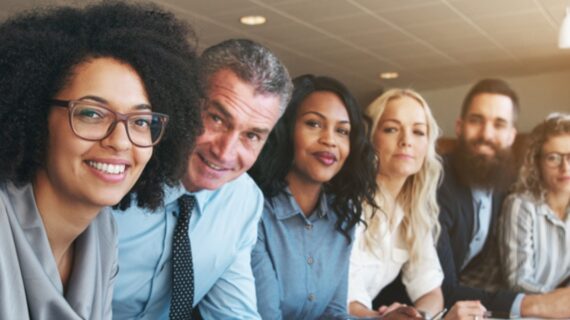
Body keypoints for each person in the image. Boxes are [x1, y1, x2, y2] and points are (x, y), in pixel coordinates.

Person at [0, 2, 201, 319]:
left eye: (140, 121)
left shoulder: (102, 233)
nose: (120, 141)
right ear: (36, 119)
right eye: (92, 113)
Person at [112, 39, 292, 319]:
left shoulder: (243, 199)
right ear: (184, 101)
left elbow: (233, 312)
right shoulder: (117, 167)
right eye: (217, 119)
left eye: (252, 135)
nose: (225, 152)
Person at [437, 78, 570, 318]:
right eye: (477, 121)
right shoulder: (437, 183)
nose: (486, 134)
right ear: (459, 126)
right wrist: (547, 304)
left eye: (498, 124)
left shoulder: (502, 184)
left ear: (511, 135)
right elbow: (439, 287)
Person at [249, 75, 378, 319]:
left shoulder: (343, 215)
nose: (329, 140)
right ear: (286, 130)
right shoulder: (254, 210)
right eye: (314, 124)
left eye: (342, 131)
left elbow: (335, 313)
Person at [347, 89, 445, 319]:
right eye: (391, 129)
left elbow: (431, 291)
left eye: (418, 132)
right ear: (371, 138)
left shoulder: (413, 210)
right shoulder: (348, 202)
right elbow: (342, 296)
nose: (406, 141)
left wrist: (416, 315)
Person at [500, 113, 570, 293]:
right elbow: (518, 281)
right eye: (553, 157)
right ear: (537, 162)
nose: (565, 167)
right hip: (509, 308)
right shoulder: (520, 205)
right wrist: (559, 302)